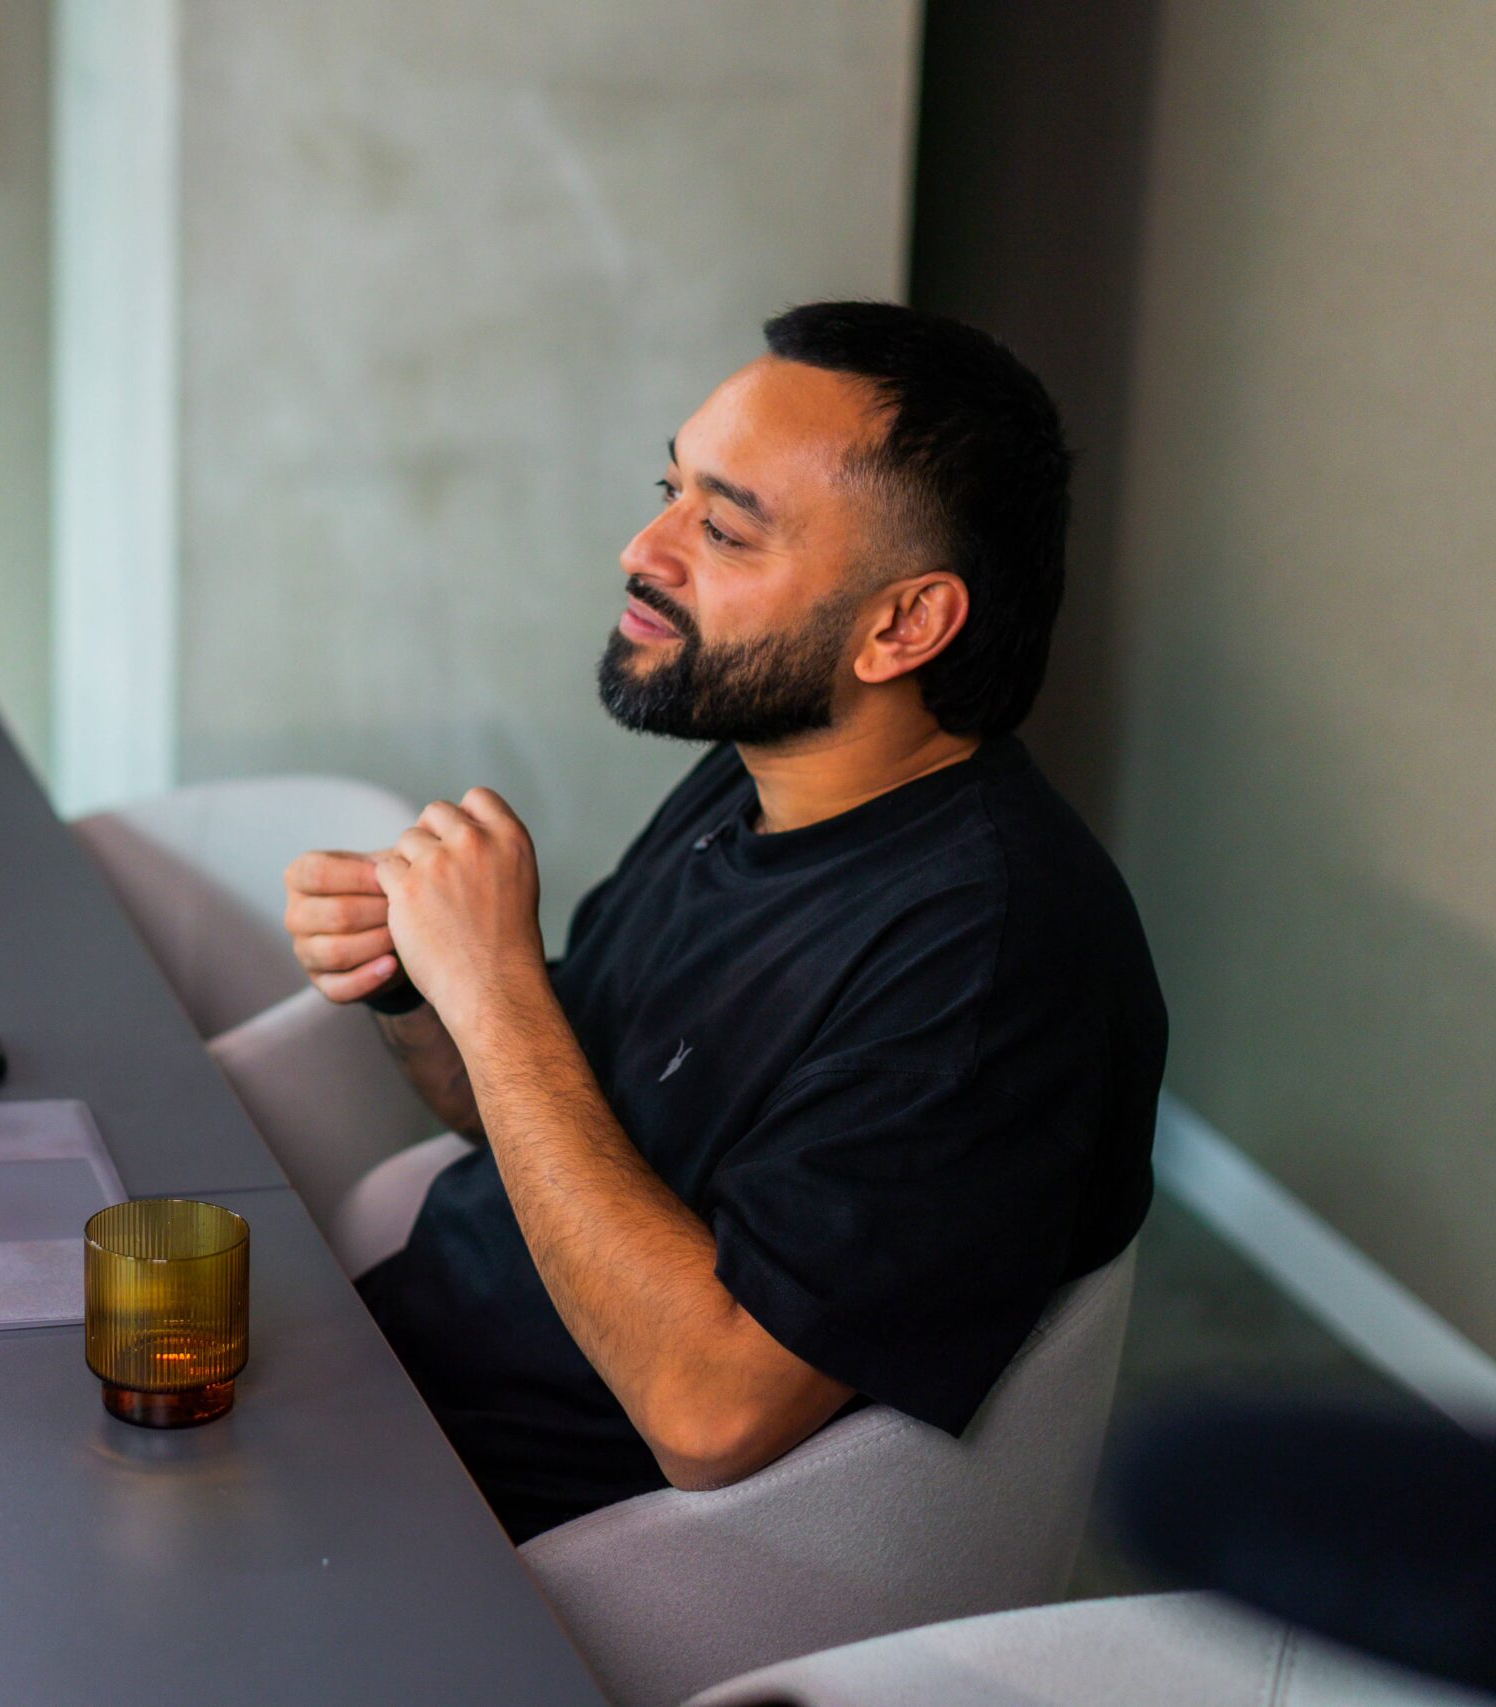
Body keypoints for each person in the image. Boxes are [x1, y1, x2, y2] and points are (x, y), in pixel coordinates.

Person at [281, 300, 1167, 1543]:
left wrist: (494, 986)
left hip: (502, 1538)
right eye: (668, 488)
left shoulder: (988, 960)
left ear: (901, 625)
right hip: (382, 1386)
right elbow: (529, 1115)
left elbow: (711, 1416)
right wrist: (415, 981)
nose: (643, 549)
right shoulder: (752, 774)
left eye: (724, 528)